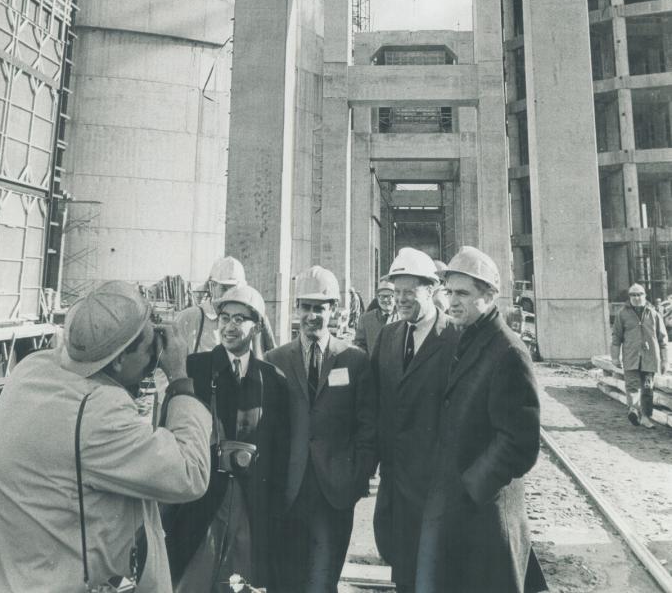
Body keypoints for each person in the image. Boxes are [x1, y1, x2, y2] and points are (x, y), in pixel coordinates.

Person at [0, 280, 212, 593]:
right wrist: (179, 377)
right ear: (118, 359)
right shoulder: (98, 411)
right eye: (150, 347)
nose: (156, 354)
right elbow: (190, 474)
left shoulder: (33, 368)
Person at [416, 247, 547, 593]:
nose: (452, 301)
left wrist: (470, 487)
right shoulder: (468, 338)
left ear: (489, 296)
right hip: (461, 513)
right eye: (449, 292)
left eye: (463, 293)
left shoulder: (508, 351)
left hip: (486, 518)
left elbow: (520, 443)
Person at [163, 283, 289, 592]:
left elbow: (279, 452)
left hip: (249, 502)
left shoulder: (272, 380)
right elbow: (169, 432)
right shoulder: (194, 369)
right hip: (201, 499)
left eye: (239, 319)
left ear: (256, 325)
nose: (230, 326)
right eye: (224, 318)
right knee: (192, 578)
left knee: (240, 580)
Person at [267, 265, 376, 593]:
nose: (313, 316)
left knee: (322, 582)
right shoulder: (275, 360)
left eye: (321, 308)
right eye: (307, 308)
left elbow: (368, 427)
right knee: (286, 581)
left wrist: (356, 477)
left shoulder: (354, 362)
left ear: (334, 311)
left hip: (334, 494)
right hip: (288, 490)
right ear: (297, 309)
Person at [370, 248, 457, 593]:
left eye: (410, 291)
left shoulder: (454, 337)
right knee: (403, 568)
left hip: (436, 485)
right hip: (397, 481)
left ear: (431, 289)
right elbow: (375, 402)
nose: (401, 300)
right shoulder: (389, 337)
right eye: (396, 292)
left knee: (438, 574)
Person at [174, 255, 276, 357]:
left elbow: (272, 358)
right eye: (225, 288)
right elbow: (170, 364)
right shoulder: (189, 318)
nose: (230, 295)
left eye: (235, 290)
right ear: (212, 285)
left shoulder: (255, 318)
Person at [611, 281, 668, 429]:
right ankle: (634, 410)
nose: (636, 297)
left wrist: (664, 361)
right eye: (633, 295)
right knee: (632, 387)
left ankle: (646, 417)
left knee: (648, 389)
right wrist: (615, 357)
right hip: (631, 357)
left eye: (639, 294)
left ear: (645, 295)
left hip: (649, 358)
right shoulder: (622, 314)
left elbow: (663, 339)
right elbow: (616, 337)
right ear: (629, 297)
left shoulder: (653, 313)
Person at [353, 277, 399, 356]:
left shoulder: (404, 319)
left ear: (395, 297)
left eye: (389, 296)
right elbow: (359, 345)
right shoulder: (366, 319)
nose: (385, 300)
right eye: (382, 296)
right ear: (377, 298)